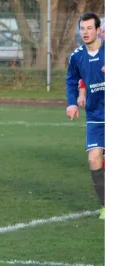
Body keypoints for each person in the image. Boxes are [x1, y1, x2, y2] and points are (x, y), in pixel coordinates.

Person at [65, 12, 105, 220]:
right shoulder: (77, 56)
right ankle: (107, 205)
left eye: (90, 28)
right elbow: (71, 81)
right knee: (94, 159)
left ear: (98, 30)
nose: (86, 32)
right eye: (83, 28)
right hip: (96, 115)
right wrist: (72, 103)